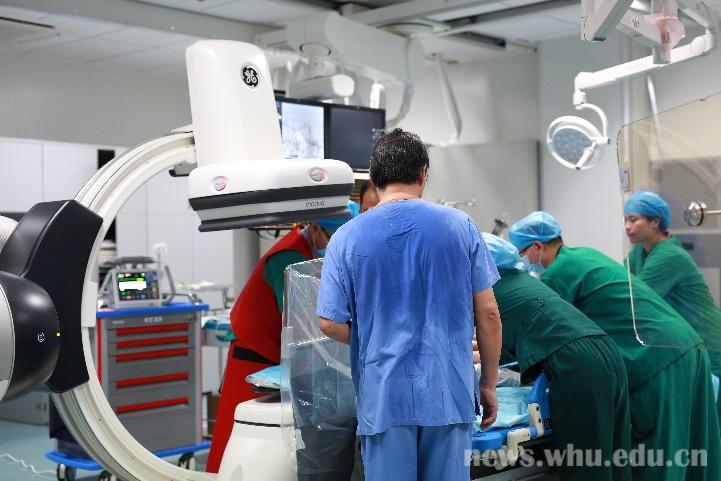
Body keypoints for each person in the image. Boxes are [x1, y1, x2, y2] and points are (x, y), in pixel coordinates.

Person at [316, 128, 502, 481]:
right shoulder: (460, 226)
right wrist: (488, 385)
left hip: (384, 398)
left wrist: (374, 336)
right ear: (423, 175)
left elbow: (328, 322)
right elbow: (489, 314)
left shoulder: (345, 238)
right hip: (449, 394)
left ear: (373, 180)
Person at [509, 211, 721, 481]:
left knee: (658, 458)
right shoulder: (584, 255)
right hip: (686, 346)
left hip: (654, 357)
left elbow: (548, 335)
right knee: (693, 456)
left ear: (537, 247)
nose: (521, 262)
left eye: (521, 253)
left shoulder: (558, 274)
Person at [206, 201, 360, 473]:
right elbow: (307, 325)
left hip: (279, 358)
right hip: (253, 360)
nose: (338, 249)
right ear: (315, 228)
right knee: (237, 450)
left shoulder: (315, 252)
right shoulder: (289, 257)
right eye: (334, 240)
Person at [482, 233, 631, 481]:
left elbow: (487, 329)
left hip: (577, 363)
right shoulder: (520, 281)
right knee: (613, 461)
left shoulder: (487, 289)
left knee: (585, 467)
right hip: (605, 351)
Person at [624, 191, 721, 418]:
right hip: (688, 346)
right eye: (625, 219)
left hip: (710, 344)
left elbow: (633, 298)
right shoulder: (639, 253)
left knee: (712, 423)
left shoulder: (669, 256)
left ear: (655, 222)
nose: (627, 226)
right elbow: (619, 284)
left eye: (634, 219)